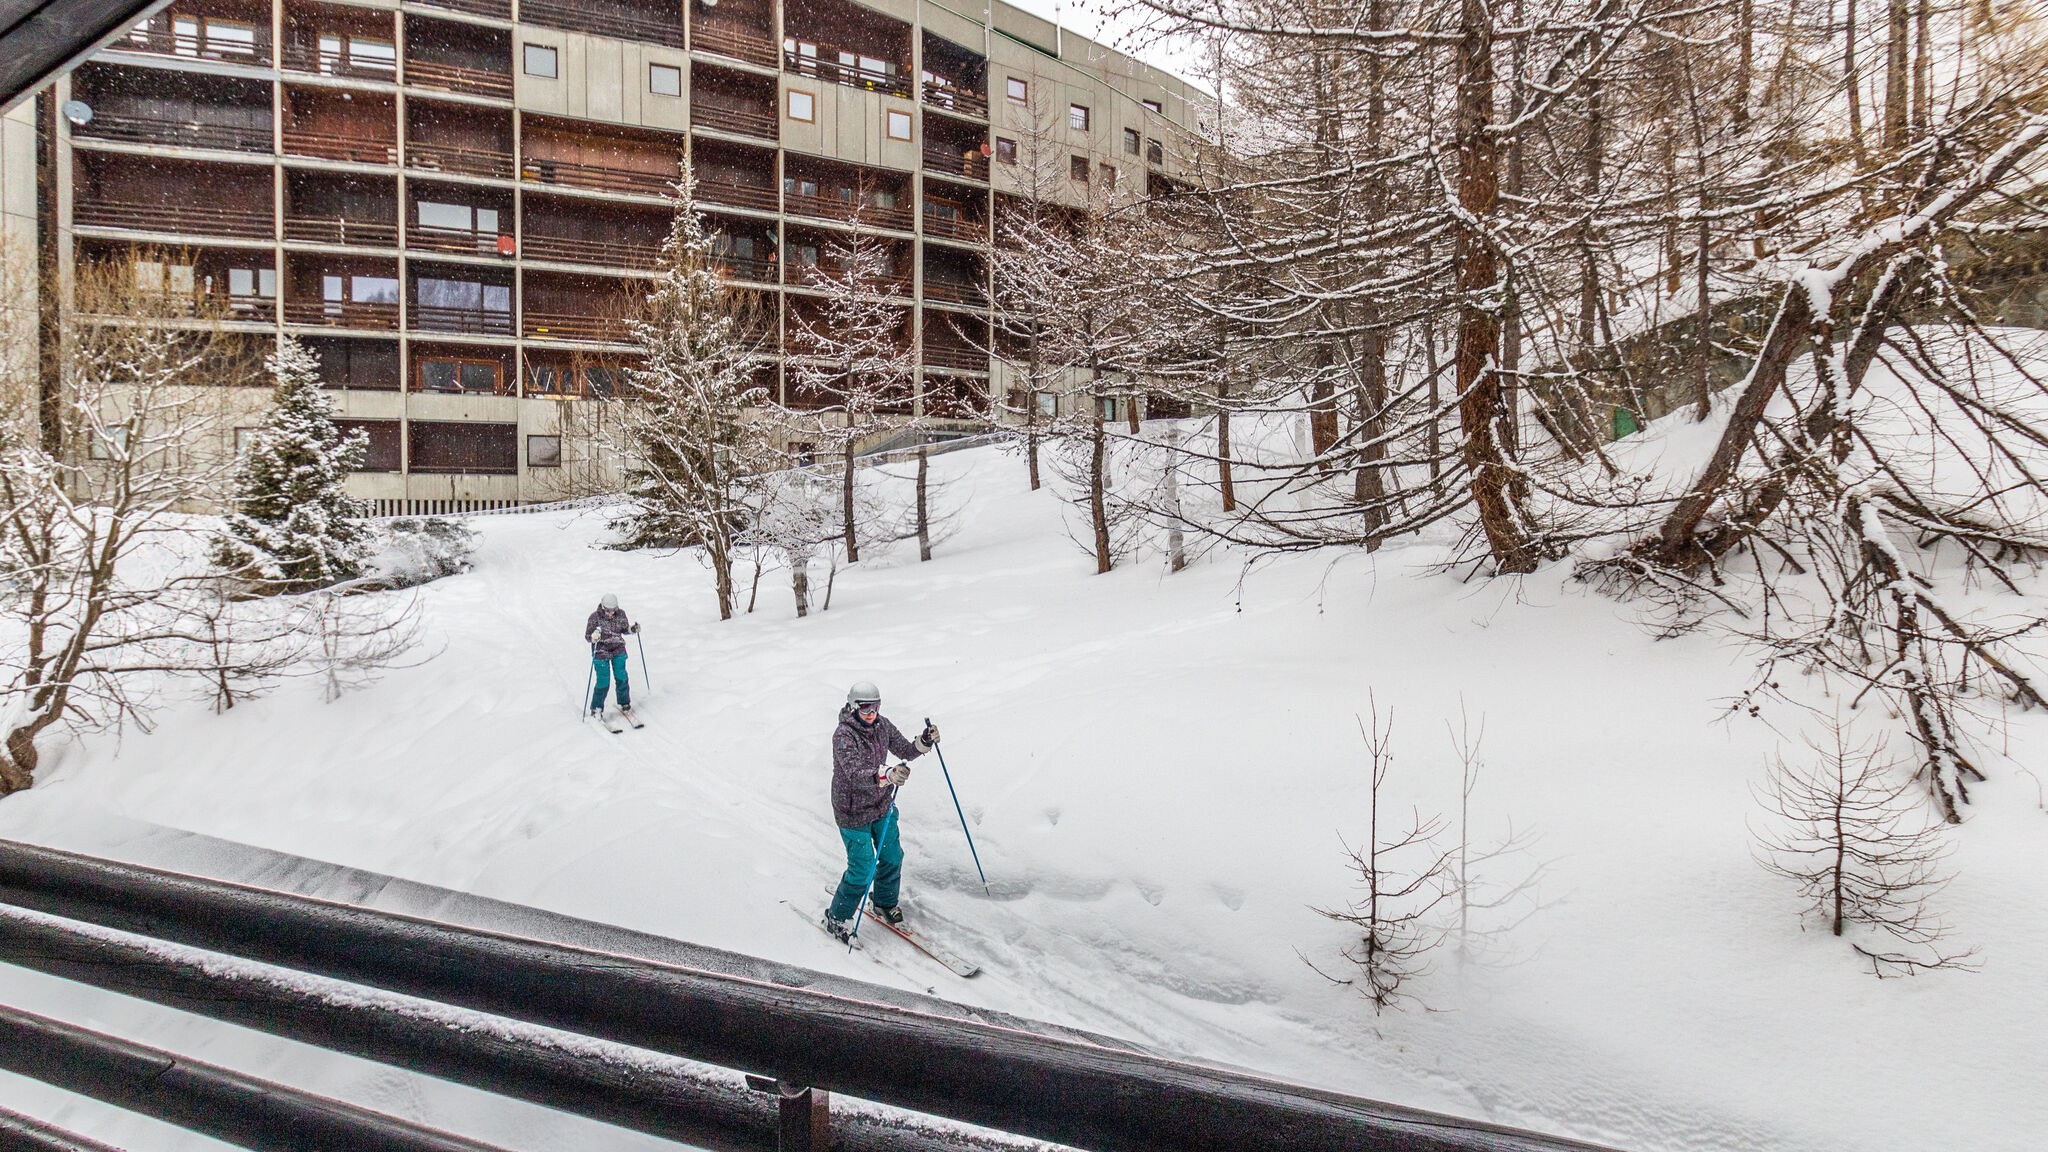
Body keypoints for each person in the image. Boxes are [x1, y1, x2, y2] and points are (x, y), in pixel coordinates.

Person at [822, 681, 939, 943]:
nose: (871, 714)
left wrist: (924, 742)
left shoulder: (882, 725)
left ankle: (884, 902)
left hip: (881, 805)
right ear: (853, 708)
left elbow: (906, 750)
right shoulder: (843, 736)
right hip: (852, 812)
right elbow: (855, 774)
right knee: (863, 867)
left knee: (892, 856)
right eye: (865, 709)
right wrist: (887, 775)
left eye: (875, 707)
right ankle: (838, 916)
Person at [585, 593, 640, 720]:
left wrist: (632, 629)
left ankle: (624, 703)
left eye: (614, 610)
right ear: (603, 607)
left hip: (618, 648)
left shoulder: (621, 614)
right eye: (608, 610)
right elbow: (587, 636)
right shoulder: (594, 617)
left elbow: (625, 629)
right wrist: (593, 637)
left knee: (622, 676)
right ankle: (596, 708)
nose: (611, 613)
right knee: (603, 680)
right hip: (601, 651)